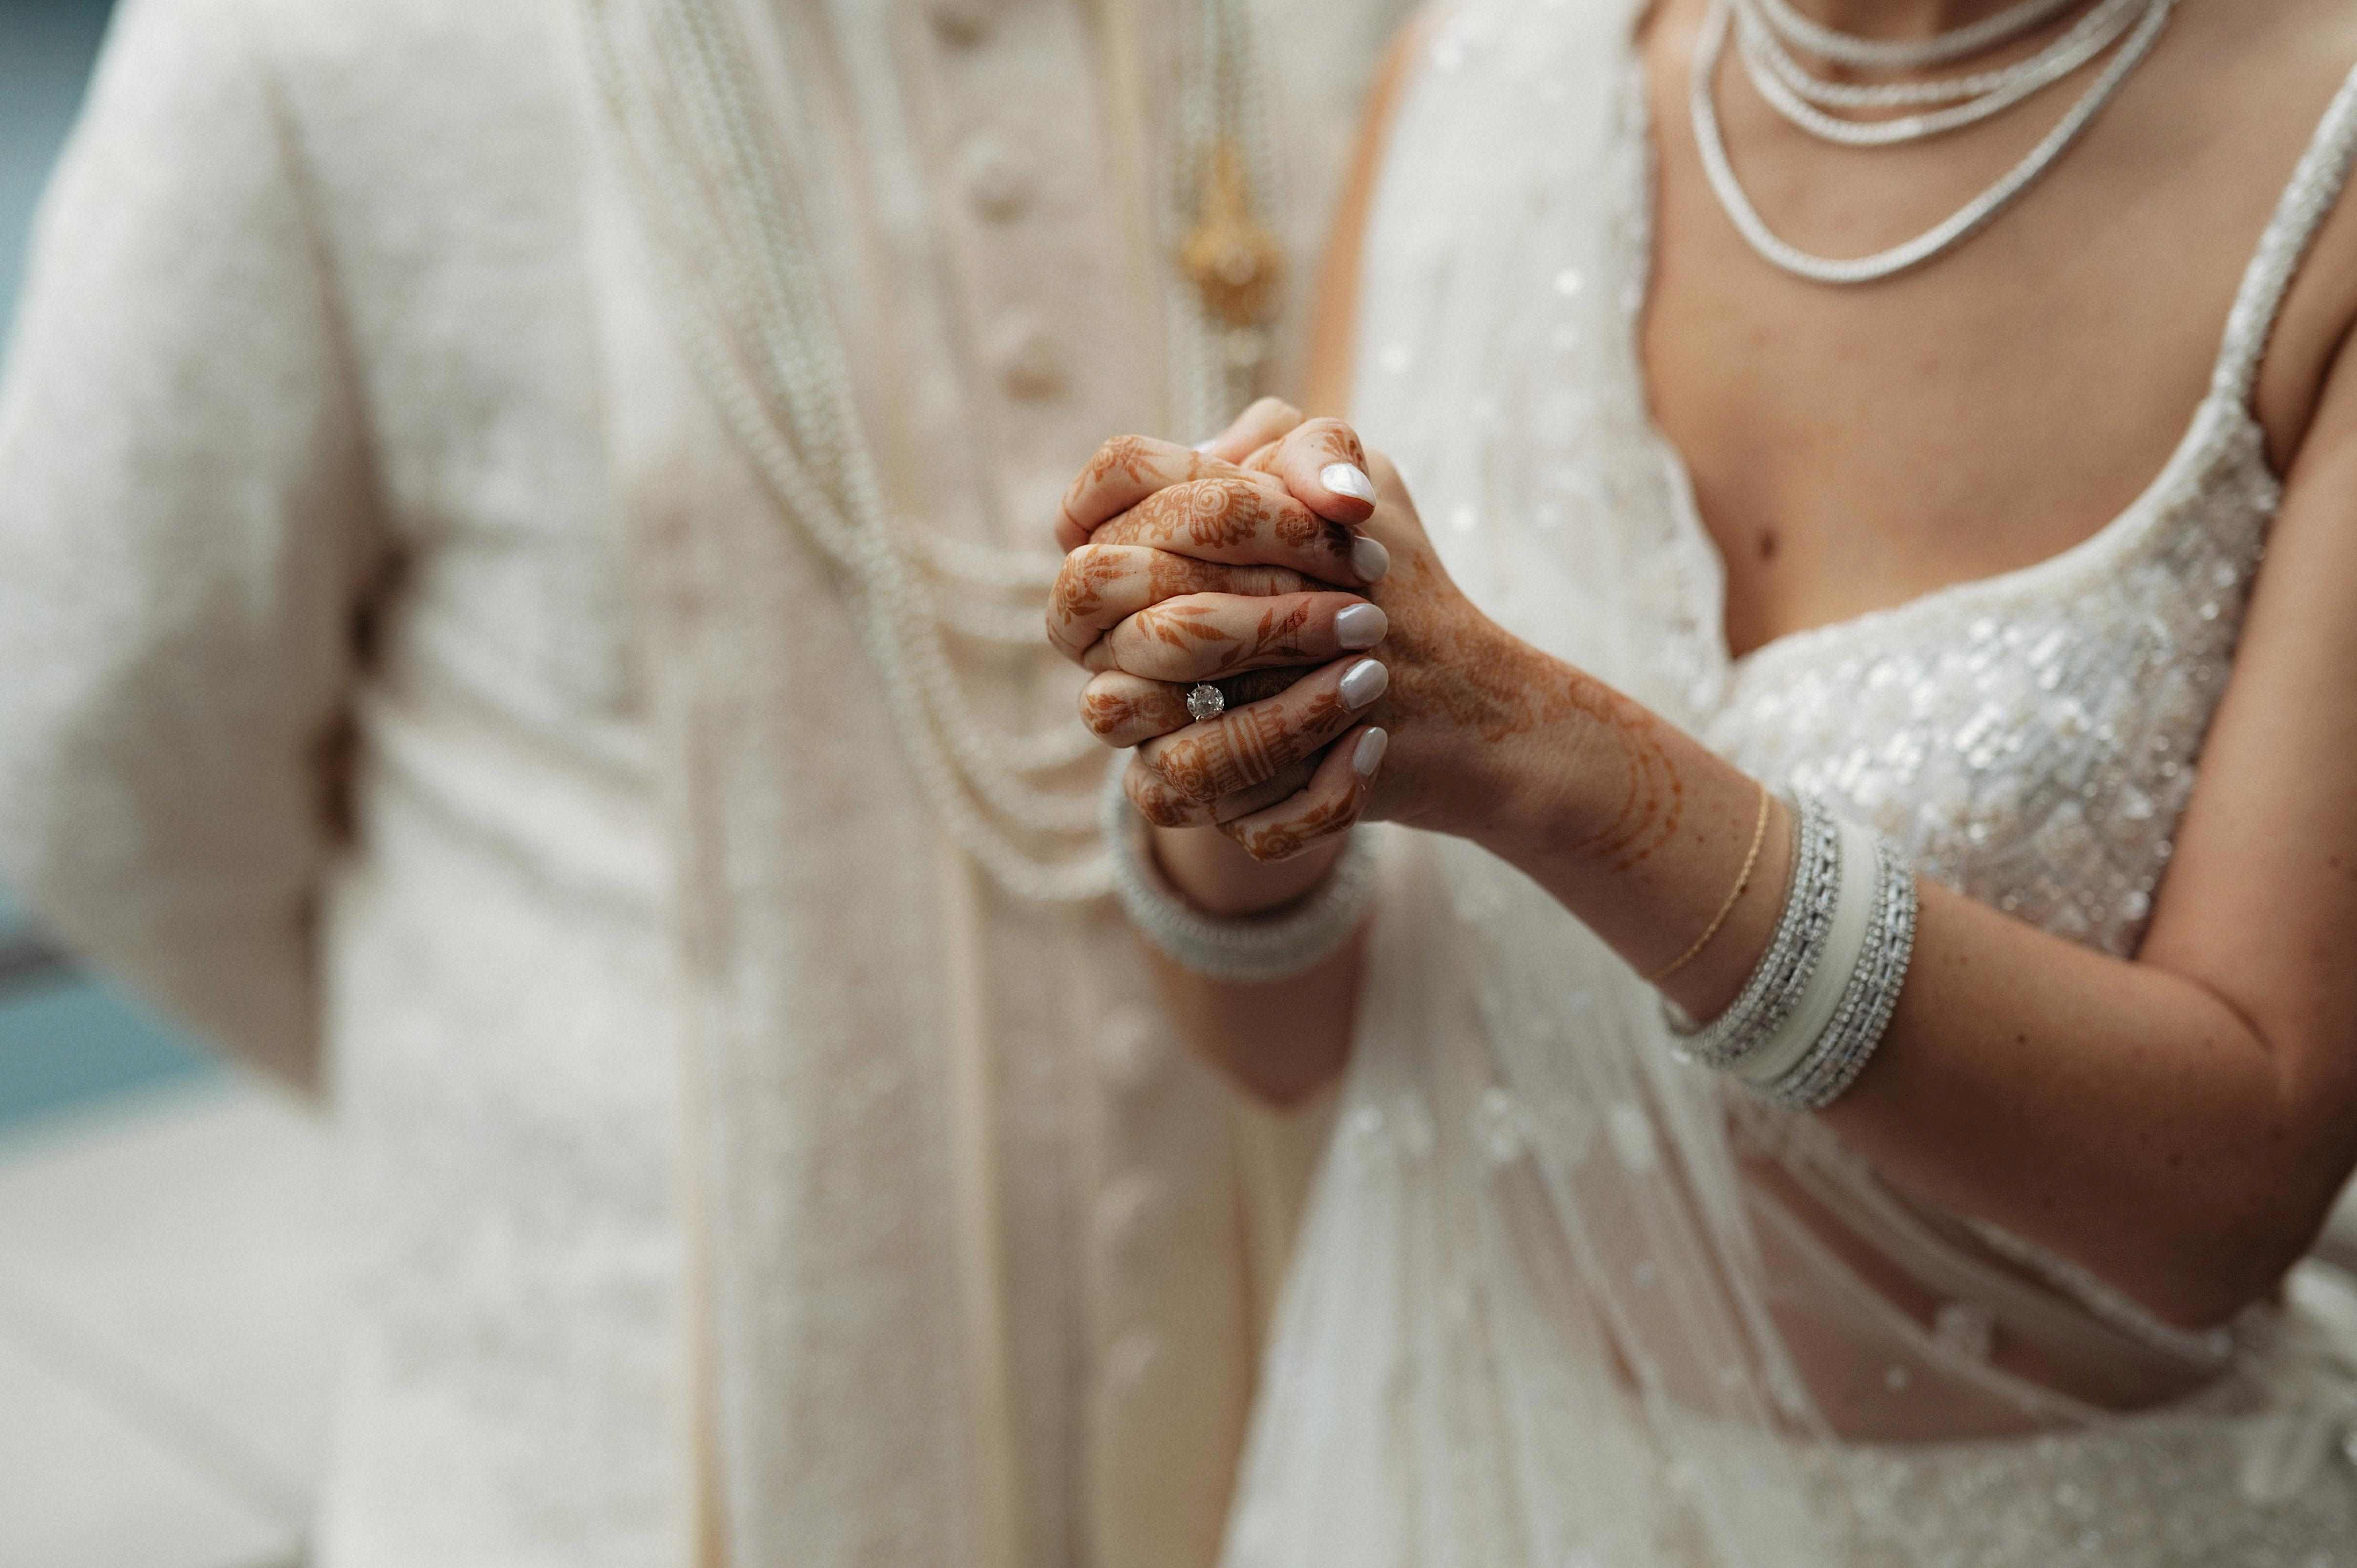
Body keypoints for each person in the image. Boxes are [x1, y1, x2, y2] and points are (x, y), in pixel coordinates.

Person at [0, 0, 1409, 1562]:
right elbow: (110, 765)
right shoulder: (309, 41)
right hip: (602, 1449)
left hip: (1319, 1425)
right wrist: (522, 1098)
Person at [1055, 0, 2357, 1560]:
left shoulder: (2320, 173)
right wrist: (1239, 707)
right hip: (1458, 1485)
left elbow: (2224, 1196)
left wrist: (1565, 766)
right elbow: (1280, 1044)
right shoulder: (1481, 81)